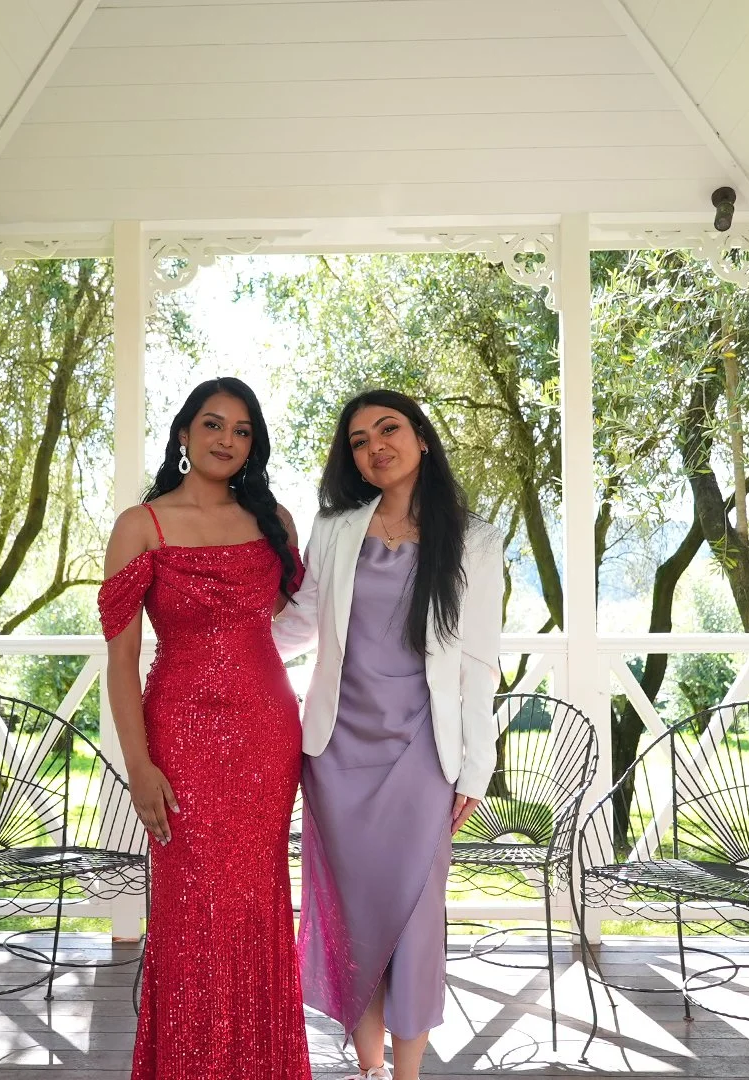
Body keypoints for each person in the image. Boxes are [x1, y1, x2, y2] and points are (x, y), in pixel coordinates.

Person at [274, 389, 503, 1080]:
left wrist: (477, 766)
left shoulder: (476, 541)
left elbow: (478, 662)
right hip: (337, 754)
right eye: (359, 441)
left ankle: (406, 1075)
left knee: (416, 922)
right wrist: (219, 635)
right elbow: (301, 622)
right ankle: (369, 1070)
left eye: (389, 429)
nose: (376, 446)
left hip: (423, 755)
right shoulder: (336, 529)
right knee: (354, 920)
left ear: (421, 438)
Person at [98, 377, 310, 1080]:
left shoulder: (274, 521)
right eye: (213, 424)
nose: (227, 439)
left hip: (267, 733)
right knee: (192, 908)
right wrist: (139, 766)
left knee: (254, 903)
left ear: (254, 445)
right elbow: (121, 662)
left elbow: (292, 617)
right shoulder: (141, 525)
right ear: (184, 433)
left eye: (242, 430)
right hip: (180, 738)